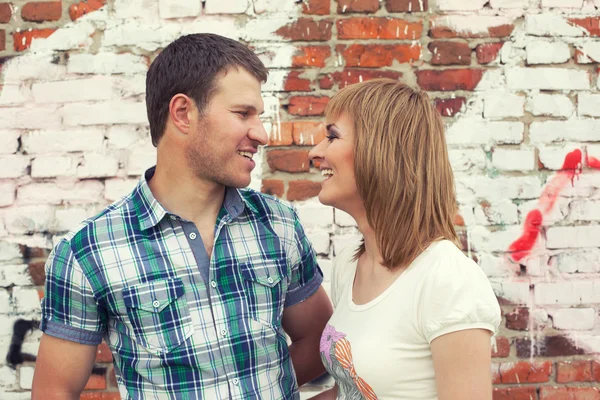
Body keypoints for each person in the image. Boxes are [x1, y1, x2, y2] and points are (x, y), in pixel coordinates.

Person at [32, 33, 333, 400]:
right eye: (243, 113)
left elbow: (319, 340)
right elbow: (54, 391)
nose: (262, 134)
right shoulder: (88, 252)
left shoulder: (278, 223)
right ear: (183, 113)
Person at [308, 79, 501, 400]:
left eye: (332, 136)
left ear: (381, 149)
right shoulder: (349, 265)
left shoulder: (448, 279)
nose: (316, 152)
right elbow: (350, 391)